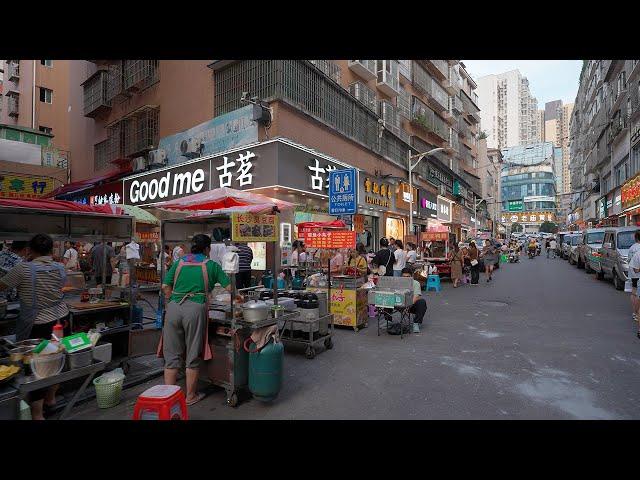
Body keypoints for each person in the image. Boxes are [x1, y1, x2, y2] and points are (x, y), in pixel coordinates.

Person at [0, 234, 70, 420]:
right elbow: (62, 287)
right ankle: (51, 398)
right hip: (60, 320)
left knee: (36, 369)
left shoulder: (23, 268)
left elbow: (2, 286)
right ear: (51, 250)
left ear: (30, 250)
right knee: (56, 360)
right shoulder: (60, 267)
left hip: (38, 324)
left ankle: (37, 415)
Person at [161, 234, 232, 406]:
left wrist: (174, 301)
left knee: (171, 355)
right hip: (195, 308)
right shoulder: (211, 265)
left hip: (173, 308)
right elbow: (231, 288)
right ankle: (190, 396)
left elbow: (165, 286)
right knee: (192, 353)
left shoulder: (179, 263)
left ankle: (168, 397)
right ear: (208, 249)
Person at [401, 267, 427, 333]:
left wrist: (408, 306)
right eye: (404, 277)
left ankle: (416, 323)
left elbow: (416, 296)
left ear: (411, 276)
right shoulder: (398, 282)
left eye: (408, 276)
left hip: (410, 304)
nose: (406, 278)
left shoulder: (415, 283)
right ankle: (388, 321)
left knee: (422, 302)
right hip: (398, 303)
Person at [626, 231, 640, 325]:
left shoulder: (632, 248)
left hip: (633, 273)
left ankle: (635, 312)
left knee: (634, 292)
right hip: (638, 273)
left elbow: (628, 260)